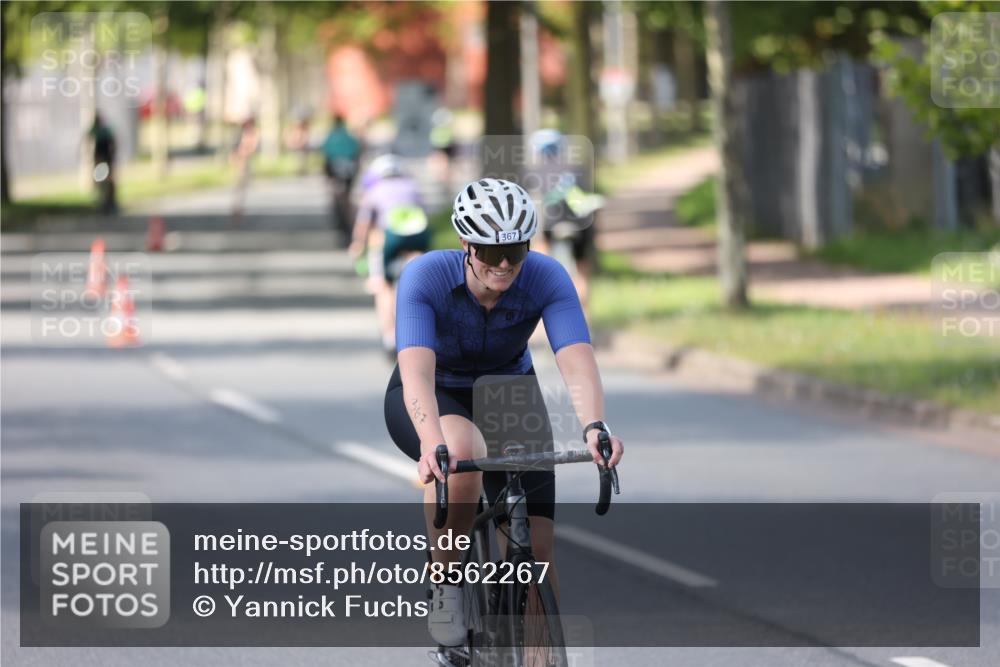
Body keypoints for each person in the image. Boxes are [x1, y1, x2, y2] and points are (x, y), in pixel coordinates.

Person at [383, 178, 624, 647]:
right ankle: (447, 580)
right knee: (462, 456)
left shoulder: (546, 276)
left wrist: (594, 425)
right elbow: (415, 372)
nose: (506, 264)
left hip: (509, 392)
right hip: (437, 393)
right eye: (492, 253)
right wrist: (432, 440)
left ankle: (535, 650)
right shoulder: (425, 276)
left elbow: (575, 357)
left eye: (516, 249)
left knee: (536, 550)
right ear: (466, 245)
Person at [349, 154, 430, 359]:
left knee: (383, 288)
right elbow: (425, 213)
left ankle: (390, 337)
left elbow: (364, 223)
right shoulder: (411, 185)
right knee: (418, 279)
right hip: (419, 238)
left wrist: (358, 245)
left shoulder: (374, 190)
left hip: (391, 239)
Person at [527, 129, 603, 311]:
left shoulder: (534, 172)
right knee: (582, 269)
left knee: (537, 257)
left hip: (551, 225)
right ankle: (585, 315)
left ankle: (536, 305)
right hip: (580, 226)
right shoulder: (576, 169)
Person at [321, 115, 361, 245]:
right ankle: (349, 220)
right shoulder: (349, 136)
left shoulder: (331, 137)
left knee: (336, 195)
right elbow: (357, 152)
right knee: (347, 197)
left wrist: (327, 174)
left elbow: (325, 155)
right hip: (349, 169)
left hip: (334, 169)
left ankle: (341, 220)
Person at [230, 117, 259, 226]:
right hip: (239, 164)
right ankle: (237, 211)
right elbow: (234, 151)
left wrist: (244, 152)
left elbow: (252, 148)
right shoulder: (239, 135)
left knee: (241, 189)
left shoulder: (252, 134)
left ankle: (239, 211)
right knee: (238, 189)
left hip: (245, 165)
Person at [87, 113, 117, 214]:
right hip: (99, 158)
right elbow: (87, 138)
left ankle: (110, 200)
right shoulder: (96, 129)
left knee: (109, 179)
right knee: (100, 180)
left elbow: (112, 143)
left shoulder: (105, 130)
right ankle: (103, 200)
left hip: (106, 157)